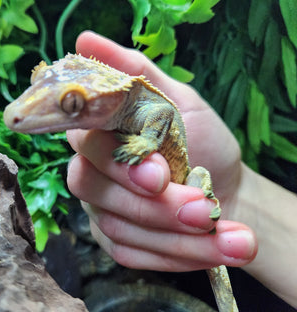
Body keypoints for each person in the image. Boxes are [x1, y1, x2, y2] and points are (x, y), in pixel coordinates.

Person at [66, 31, 297, 308]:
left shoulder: (133, 103)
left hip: (191, 181)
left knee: (196, 177)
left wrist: (148, 142)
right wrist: (237, 192)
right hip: (193, 205)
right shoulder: (113, 112)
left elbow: (163, 112)